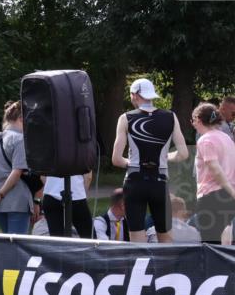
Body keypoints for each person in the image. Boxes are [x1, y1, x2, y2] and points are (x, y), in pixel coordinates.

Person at [111, 78, 189, 243]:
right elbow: (183, 154)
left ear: (135, 95)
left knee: (136, 240)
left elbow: (116, 159)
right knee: (165, 239)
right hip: (159, 182)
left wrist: (131, 162)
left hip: (135, 182)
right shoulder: (171, 117)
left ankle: (140, 261)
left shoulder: (125, 118)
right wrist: (165, 158)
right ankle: (166, 262)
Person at [0, 101, 33, 234]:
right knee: (17, 243)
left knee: (6, 241)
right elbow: (17, 171)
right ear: (21, 118)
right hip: (17, 200)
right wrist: (0, 194)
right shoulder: (20, 139)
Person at [190, 102, 235, 243]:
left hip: (211, 197)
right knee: (224, 236)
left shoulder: (205, 140)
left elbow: (216, 169)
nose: (193, 124)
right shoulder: (227, 139)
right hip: (228, 198)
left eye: (193, 120)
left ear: (198, 119)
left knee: (209, 243)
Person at [40, 174, 93, 239]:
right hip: (76, 195)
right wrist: (81, 193)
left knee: (57, 238)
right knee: (89, 237)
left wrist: (54, 188)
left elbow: (42, 176)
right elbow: (88, 176)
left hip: (51, 195)